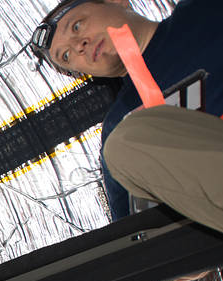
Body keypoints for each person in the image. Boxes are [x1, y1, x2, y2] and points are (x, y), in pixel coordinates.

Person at [30, 0, 223, 230]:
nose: (78, 46)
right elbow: (138, 237)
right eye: (67, 57)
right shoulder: (119, 129)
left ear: (117, 2)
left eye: (76, 26)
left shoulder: (204, 9)